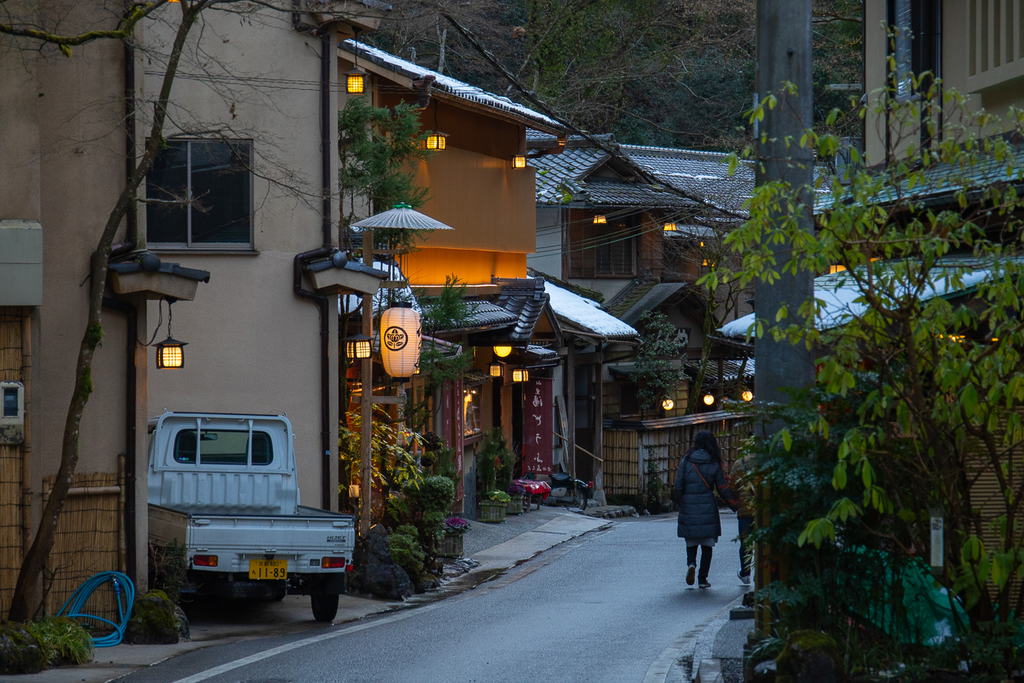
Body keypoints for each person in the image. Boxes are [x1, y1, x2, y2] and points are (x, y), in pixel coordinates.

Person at [673, 430, 738, 589]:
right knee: (707, 544)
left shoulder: (686, 461)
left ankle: (691, 564)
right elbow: (722, 488)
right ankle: (702, 578)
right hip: (708, 503)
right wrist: (735, 505)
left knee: (691, 541)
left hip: (689, 502)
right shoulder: (714, 462)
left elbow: (678, 486)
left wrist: (682, 502)